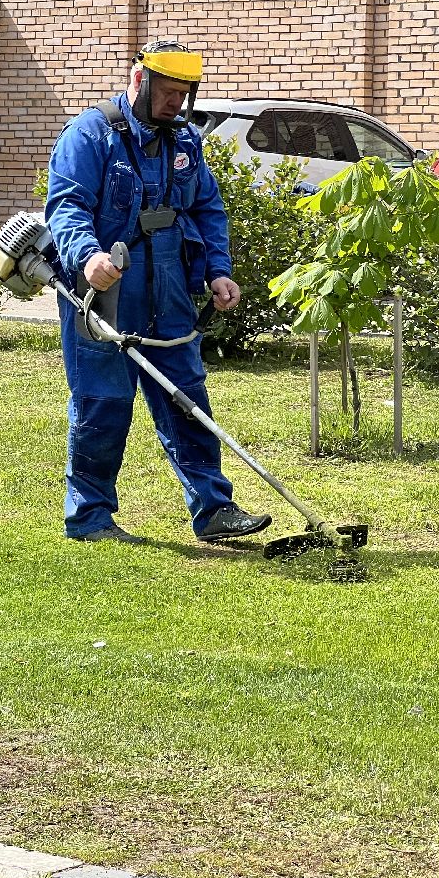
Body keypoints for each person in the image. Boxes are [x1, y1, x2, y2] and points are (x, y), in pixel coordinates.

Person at [44, 39, 273, 545]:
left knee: (187, 399)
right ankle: (90, 518)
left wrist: (218, 270)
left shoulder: (186, 141)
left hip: (168, 289)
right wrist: (88, 256)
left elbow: (206, 209)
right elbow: (67, 205)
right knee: (103, 403)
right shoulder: (90, 134)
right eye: (169, 92)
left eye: (184, 94)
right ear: (139, 81)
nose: (177, 103)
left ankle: (215, 510)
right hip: (104, 291)